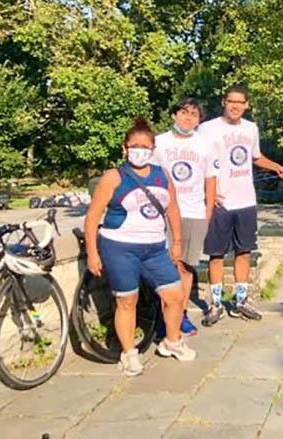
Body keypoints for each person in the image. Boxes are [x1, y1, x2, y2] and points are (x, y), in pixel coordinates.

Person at [84, 118, 196, 376]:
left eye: (146, 147)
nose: (140, 151)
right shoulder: (114, 177)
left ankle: (172, 341)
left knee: (175, 295)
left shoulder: (162, 175)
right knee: (127, 301)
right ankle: (129, 354)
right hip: (120, 247)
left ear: (153, 149)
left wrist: (177, 241)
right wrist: (92, 252)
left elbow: (173, 209)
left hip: (154, 248)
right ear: (124, 148)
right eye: (135, 146)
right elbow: (92, 216)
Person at [197, 84, 283, 324]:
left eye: (240, 102)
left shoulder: (251, 128)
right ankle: (216, 303)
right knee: (216, 254)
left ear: (246, 105)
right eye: (231, 101)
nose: (235, 106)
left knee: (244, 251)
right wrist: (207, 192)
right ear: (224, 102)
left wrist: (277, 167)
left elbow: (256, 157)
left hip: (245, 200)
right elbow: (197, 160)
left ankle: (241, 301)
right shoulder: (207, 129)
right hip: (220, 202)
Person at [152, 97, 216, 335]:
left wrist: (207, 214)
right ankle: (164, 317)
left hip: (194, 212)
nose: (188, 118)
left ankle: (181, 314)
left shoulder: (205, 145)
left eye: (194, 114)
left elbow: (211, 180)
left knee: (186, 267)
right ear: (174, 115)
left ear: (199, 120)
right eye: (184, 112)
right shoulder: (159, 143)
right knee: (166, 268)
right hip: (163, 213)